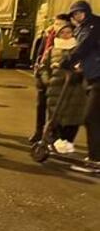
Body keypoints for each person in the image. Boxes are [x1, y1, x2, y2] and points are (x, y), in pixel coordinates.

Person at [61, 0, 100, 172]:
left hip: (98, 78)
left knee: (91, 118)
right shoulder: (83, 27)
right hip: (93, 76)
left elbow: (84, 47)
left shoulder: (93, 26)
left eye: (79, 12)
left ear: (87, 12)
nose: (77, 16)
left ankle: (95, 160)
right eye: (74, 14)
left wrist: (68, 62)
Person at [38, 23, 86, 153]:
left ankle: (67, 142)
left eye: (69, 32)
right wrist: (47, 81)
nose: (65, 35)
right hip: (55, 90)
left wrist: (79, 73)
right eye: (62, 33)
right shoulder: (51, 50)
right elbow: (43, 68)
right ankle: (54, 142)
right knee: (55, 118)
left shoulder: (79, 50)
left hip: (74, 90)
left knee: (72, 119)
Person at [31, 13, 72, 143]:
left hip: (57, 80)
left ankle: (50, 134)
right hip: (43, 74)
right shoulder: (48, 35)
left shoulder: (68, 41)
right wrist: (37, 65)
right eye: (56, 23)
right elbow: (41, 51)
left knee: (53, 108)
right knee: (40, 105)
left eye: (60, 24)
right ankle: (38, 131)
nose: (57, 26)